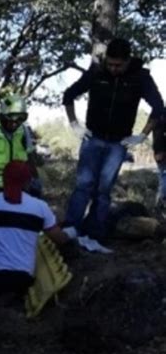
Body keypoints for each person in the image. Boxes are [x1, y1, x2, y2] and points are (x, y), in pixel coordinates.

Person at [62, 37, 164, 240]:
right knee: (84, 185)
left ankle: (94, 234)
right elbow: (69, 95)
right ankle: (70, 230)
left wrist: (142, 135)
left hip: (119, 143)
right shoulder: (97, 72)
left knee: (103, 189)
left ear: (127, 61)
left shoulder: (140, 77)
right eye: (110, 64)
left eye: (118, 65)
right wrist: (74, 124)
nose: (113, 68)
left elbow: (159, 107)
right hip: (93, 138)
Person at [0, 161, 71, 301]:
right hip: (23, 279)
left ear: (3, 179)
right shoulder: (40, 207)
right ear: (28, 182)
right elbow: (60, 239)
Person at [0, 92, 41, 195]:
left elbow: (30, 159)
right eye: (11, 117)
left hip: (16, 189)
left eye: (21, 118)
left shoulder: (23, 131)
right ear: (2, 115)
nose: (15, 123)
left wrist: (36, 182)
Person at [153, 112, 166, 216]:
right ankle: (159, 208)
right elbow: (158, 133)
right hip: (163, 154)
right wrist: (158, 151)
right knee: (164, 182)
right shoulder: (162, 113)